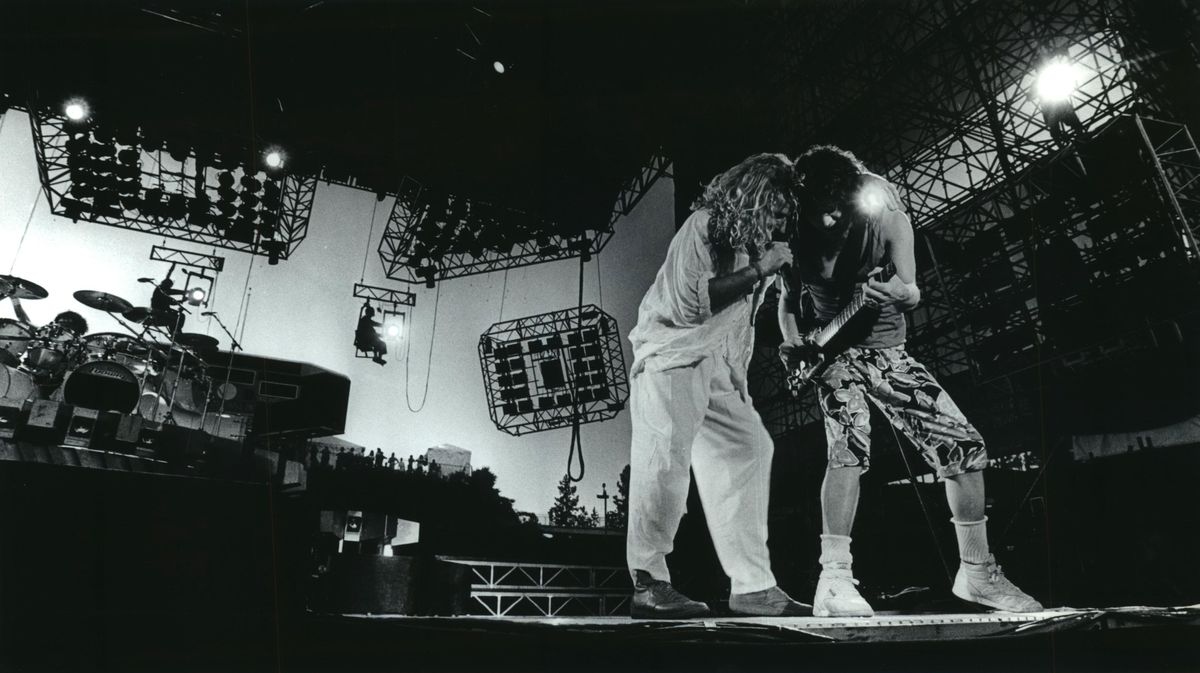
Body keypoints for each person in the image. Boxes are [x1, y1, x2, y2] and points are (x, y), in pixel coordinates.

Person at [778, 145, 1042, 617]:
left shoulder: (884, 210)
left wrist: (901, 294)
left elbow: (912, 288)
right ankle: (834, 580)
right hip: (832, 357)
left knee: (963, 446)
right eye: (818, 212)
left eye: (836, 211)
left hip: (888, 353)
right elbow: (786, 302)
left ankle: (977, 573)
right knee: (848, 451)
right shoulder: (793, 232)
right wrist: (796, 344)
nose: (827, 221)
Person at [626, 153, 809, 619]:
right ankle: (649, 582)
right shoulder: (703, 226)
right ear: (755, 200)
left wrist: (739, 376)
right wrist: (761, 270)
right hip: (671, 354)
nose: (782, 223)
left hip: (717, 366)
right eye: (778, 212)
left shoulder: (751, 249)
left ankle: (751, 587)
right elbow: (693, 305)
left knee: (749, 446)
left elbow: (739, 326)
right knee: (664, 460)